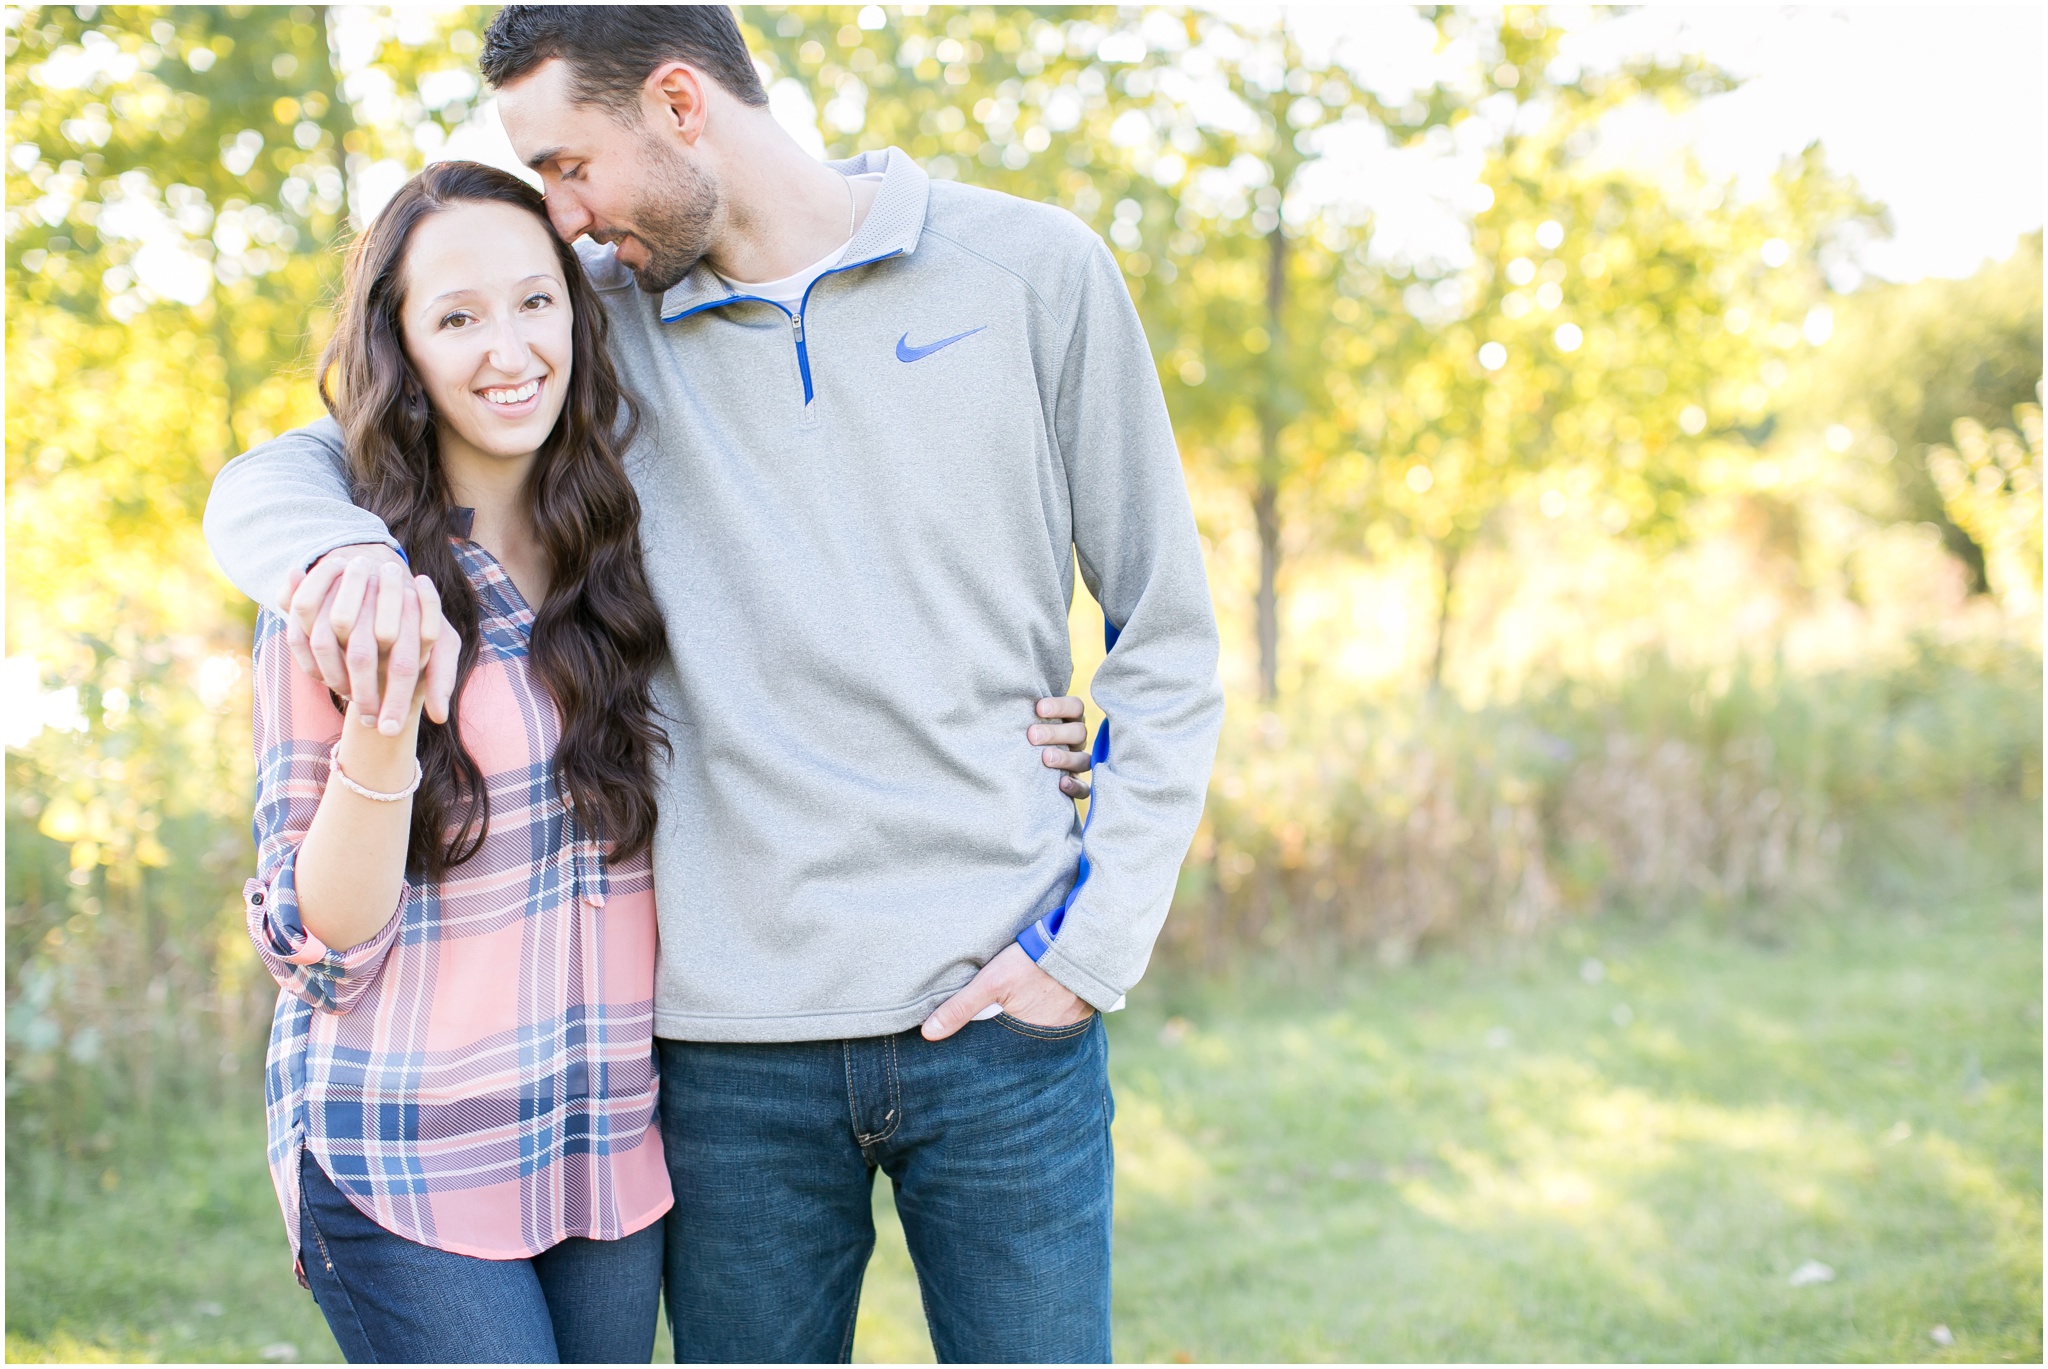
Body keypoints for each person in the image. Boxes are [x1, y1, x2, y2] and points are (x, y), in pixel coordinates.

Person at [207, 6, 1225, 1361]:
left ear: (680, 106)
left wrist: (1088, 949)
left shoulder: (1032, 271)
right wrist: (338, 560)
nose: (559, 218)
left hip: (1004, 1017)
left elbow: (1167, 634)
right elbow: (316, 449)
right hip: (723, 1061)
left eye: (569, 163)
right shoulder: (595, 321)